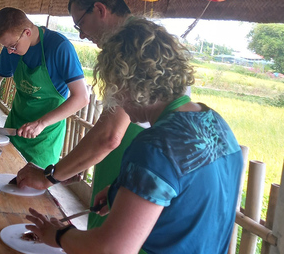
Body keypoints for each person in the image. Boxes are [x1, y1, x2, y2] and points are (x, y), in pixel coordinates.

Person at [25, 17, 243, 254]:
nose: (114, 100)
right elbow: (189, 196)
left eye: (113, 88)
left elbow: (110, 249)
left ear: (128, 83)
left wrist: (58, 234)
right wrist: (121, 192)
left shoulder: (155, 147)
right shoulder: (217, 123)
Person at [15, 0, 145, 229]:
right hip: (135, 162)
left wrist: (49, 177)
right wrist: (77, 162)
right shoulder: (143, 38)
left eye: (81, 23)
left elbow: (109, 135)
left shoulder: (128, 50)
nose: (82, 34)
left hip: (143, 159)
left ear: (99, 9)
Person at [0, 7, 89, 168]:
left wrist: (41, 123)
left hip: (44, 138)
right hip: (13, 129)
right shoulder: (12, 50)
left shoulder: (59, 47)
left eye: (12, 46)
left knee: (32, 188)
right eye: (7, 47)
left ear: (27, 32)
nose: (10, 52)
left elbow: (82, 97)